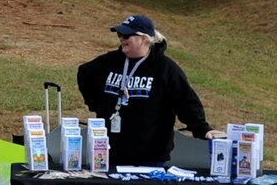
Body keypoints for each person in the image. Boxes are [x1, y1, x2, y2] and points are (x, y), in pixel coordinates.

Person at [74, 14, 209, 167]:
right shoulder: (109, 61)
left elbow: (185, 100)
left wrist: (202, 128)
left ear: (144, 39)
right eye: (119, 35)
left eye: (126, 35)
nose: (122, 39)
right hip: (108, 152)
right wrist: (98, 105)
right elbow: (84, 74)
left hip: (150, 156)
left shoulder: (165, 68)